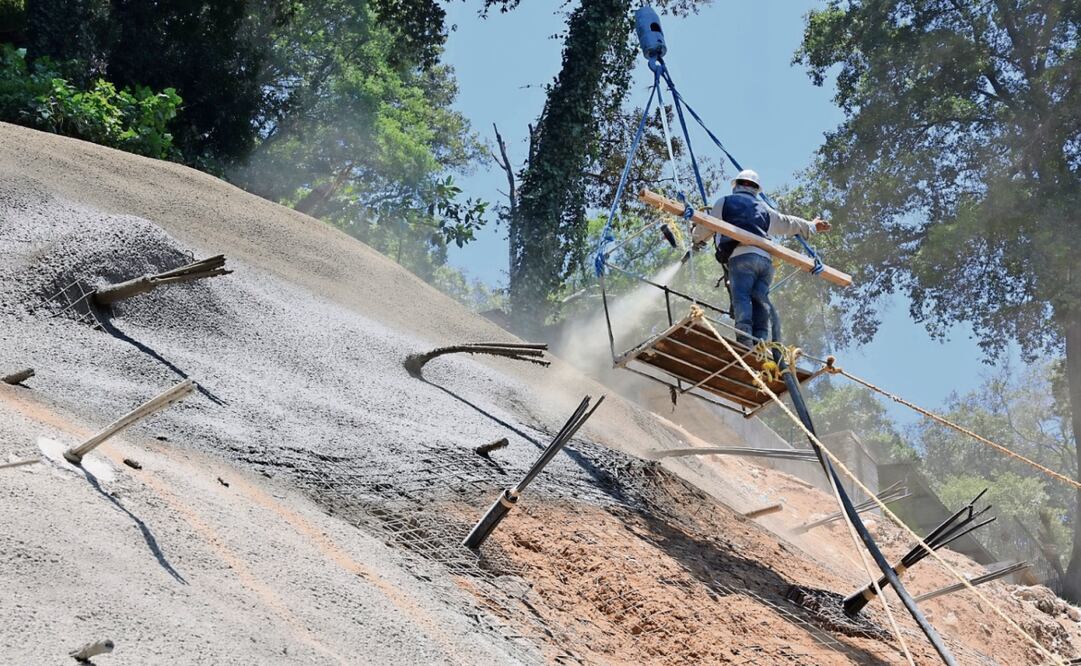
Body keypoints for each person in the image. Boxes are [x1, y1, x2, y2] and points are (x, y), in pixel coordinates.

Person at [693, 169, 831, 346]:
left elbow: (706, 226)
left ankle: (745, 341)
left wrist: (696, 238)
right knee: (760, 300)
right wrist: (812, 226)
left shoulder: (724, 202)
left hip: (741, 258)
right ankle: (760, 343)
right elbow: (787, 223)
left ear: (736, 185)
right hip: (765, 262)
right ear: (756, 189)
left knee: (742, 297)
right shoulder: (764, 209)